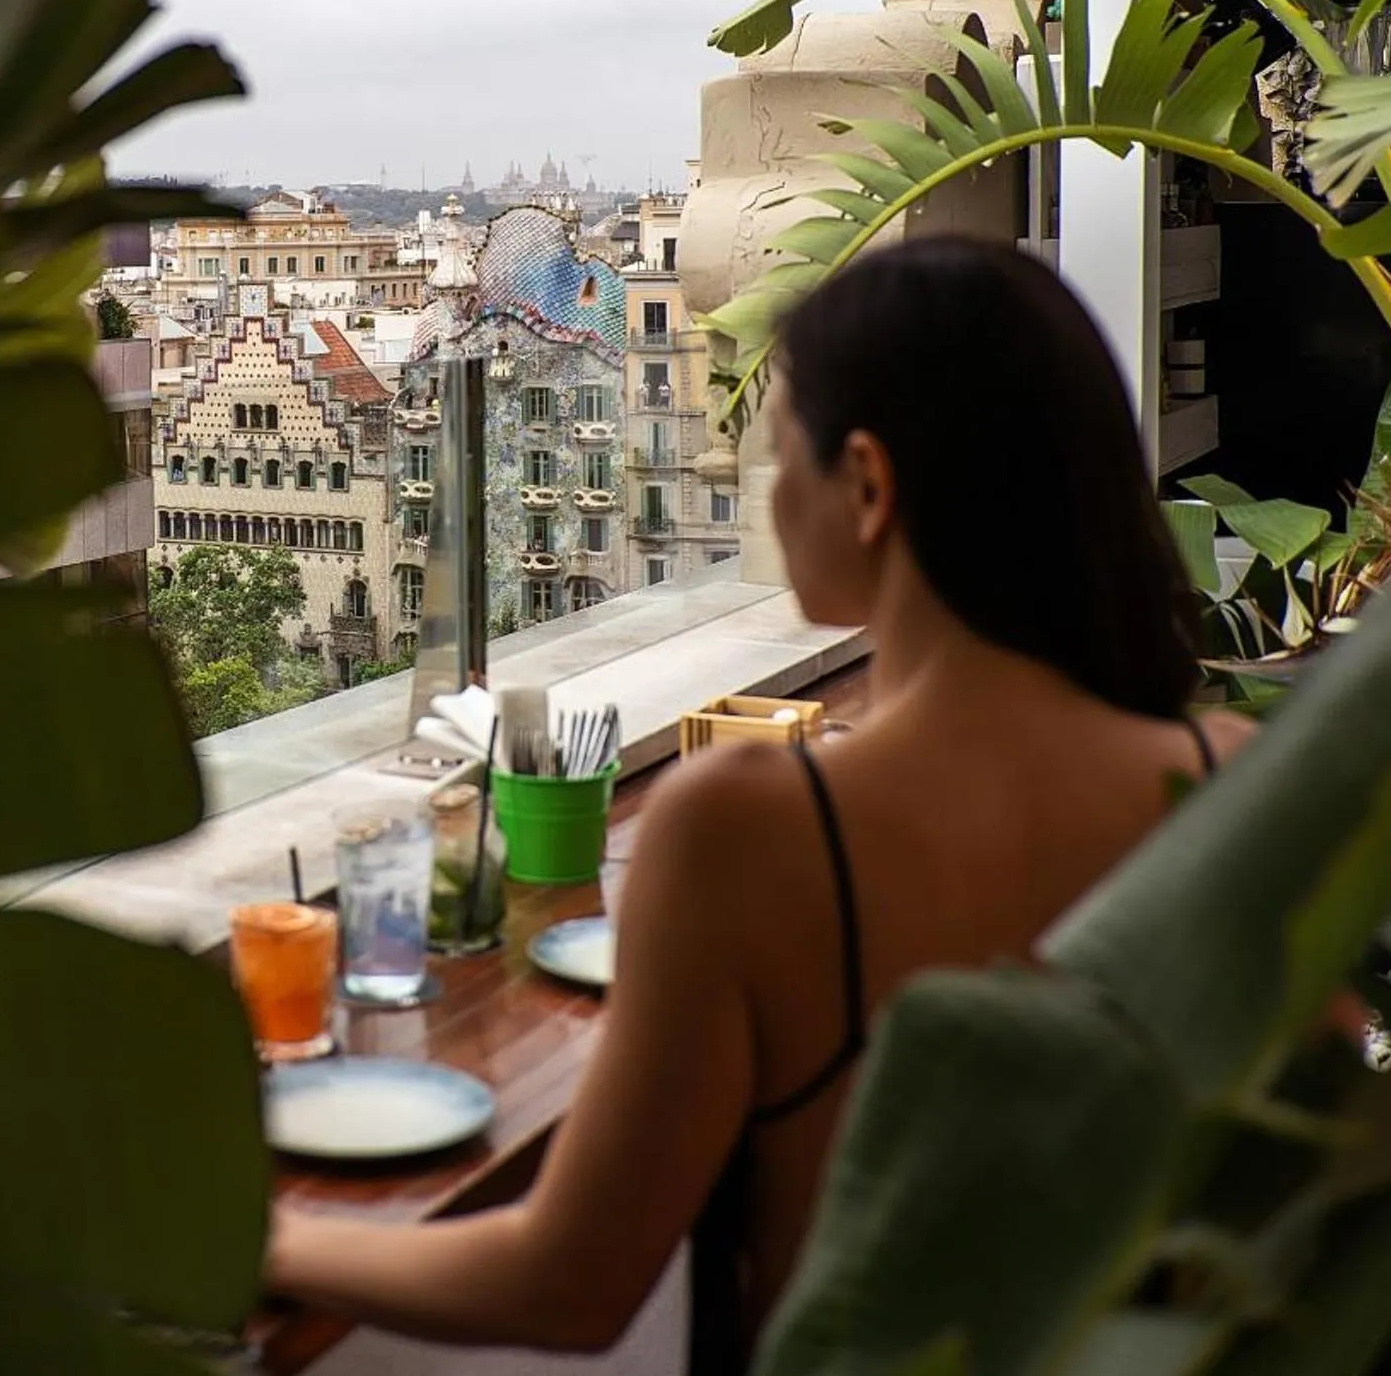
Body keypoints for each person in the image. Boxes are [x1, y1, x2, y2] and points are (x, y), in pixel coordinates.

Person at [263, 236, 1256, 1369]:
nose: (764, 495)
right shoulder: (1225, 780)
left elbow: (568, 1284)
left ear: (869, 487)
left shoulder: (751, 827)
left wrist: (266, 1240)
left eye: (778, 454)